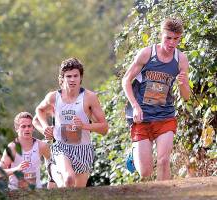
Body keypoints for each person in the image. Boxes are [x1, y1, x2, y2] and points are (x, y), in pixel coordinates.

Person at [122, 18, 190, 181]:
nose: (172, 43)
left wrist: (183, 83)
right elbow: (126, 80)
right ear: (161, 35)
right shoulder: (147, 53)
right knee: (145, 172)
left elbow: (186, 96)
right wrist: (135, 106)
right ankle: (133, 152)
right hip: (142, 117)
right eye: (168, 38)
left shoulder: (181, 60)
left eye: (176, 39)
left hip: (165, 115)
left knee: (164, 160)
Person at [34, 57, 108, 188]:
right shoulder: (53, 97)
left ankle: (54, 174)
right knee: (68, 179)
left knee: (77, 193)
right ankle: (53, 168)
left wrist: (84, 126)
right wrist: (45, 127)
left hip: (83, 149)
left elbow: (104, 129)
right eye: (68, 76)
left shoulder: (90, 97)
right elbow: (39, 110)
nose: (72, 80)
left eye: (75, 76)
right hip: (61, 147)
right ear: (62, 78)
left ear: (81, 77)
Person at [0, 112, 51, 189]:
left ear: (33, 128)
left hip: (37, 193)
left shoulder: (42, 146)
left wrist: (51, 181)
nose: (27, 129)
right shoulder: (12, 148)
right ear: (16, 129)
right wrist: (16, 169)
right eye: (23, 126)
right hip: (16, 193)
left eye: (29, 126)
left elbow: (52, 164)